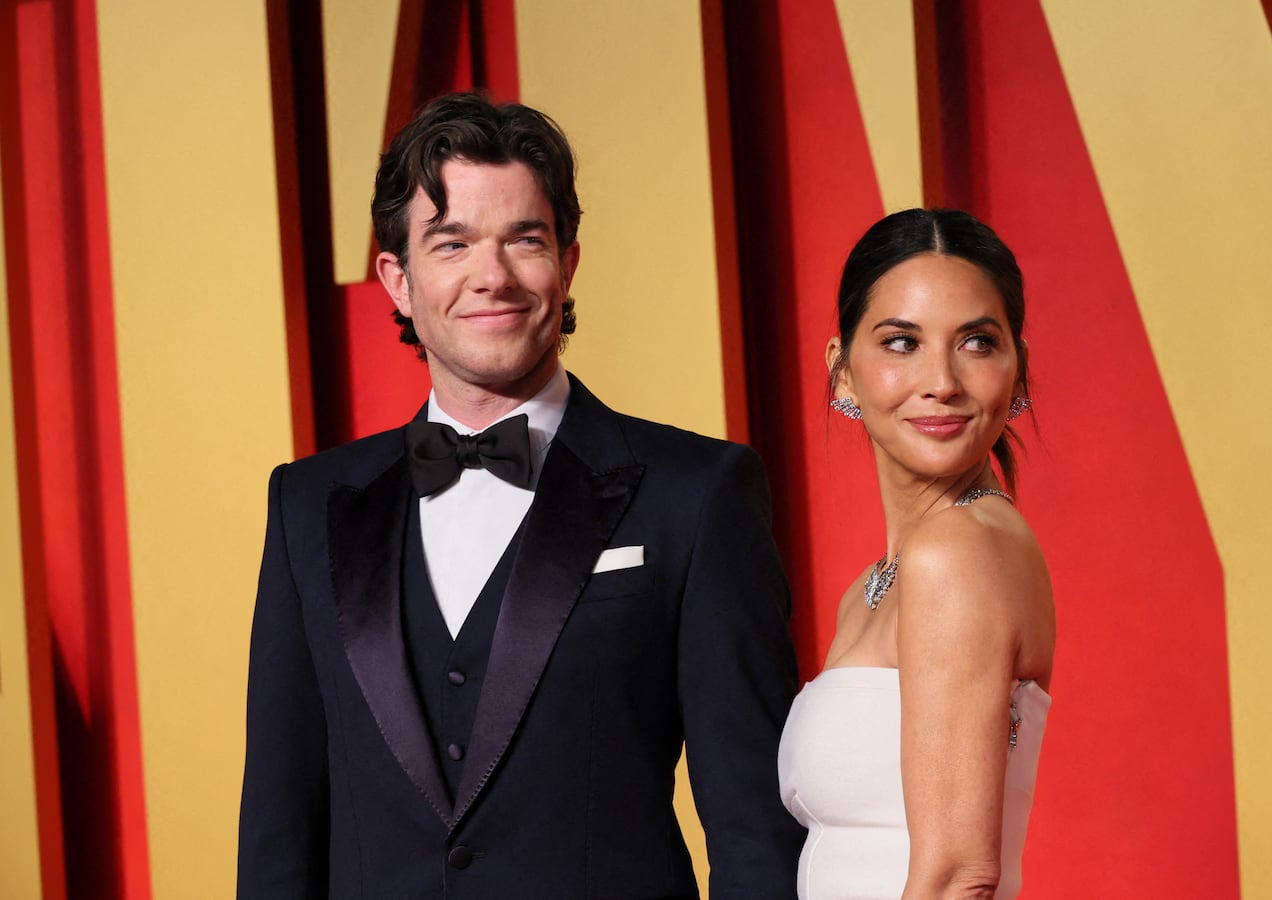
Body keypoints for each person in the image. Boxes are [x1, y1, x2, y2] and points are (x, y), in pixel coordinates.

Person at [238, 92, 805, 899]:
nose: (491, 276)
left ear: (567, 263)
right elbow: (277, 827)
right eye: (452, 243)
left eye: (524, 239)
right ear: (397, 279)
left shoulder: (697, 495)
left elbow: (756, 831)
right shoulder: (307, 505)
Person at [777, 209, 1056, 899]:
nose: (941, 381)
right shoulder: (874, 585)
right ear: (843, 371)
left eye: (977, 343)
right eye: (902, 342)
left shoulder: (957, 554)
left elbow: (961, 876)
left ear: (1017, 370)